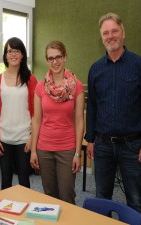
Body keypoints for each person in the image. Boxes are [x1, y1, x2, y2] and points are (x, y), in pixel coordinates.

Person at [84, 12, 141, 218]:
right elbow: (93, 108)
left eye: (114, 31)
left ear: (123, 33)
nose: (110, 36)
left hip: (132, 146)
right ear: (101, 37)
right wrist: (90, 139)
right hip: (103, 145)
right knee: (101, 199)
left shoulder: (140, 65)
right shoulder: (95, 69)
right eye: (105, 33)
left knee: (135, 200)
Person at [30, 40, 84, 204]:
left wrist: (77, 153)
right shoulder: (40, 87)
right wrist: (33, 151)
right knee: (50, 196)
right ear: (47, 61)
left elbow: (80, 121)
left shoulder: (77, 87)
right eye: (51, 58)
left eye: (58, 57)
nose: (55, 62)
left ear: (65, 57)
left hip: (67, 149)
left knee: (67, 196)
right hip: (44, 149)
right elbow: (36, 120)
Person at [0, 37, 38, 190]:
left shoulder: (30, 79)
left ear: (22, 55)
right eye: (10, 51)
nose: (13, 54)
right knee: (5, 180)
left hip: (24, 139)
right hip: (4, 139)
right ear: (5, 55)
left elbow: (36, 112)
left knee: (24, 180)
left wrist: (32, 137)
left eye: (17, 51)